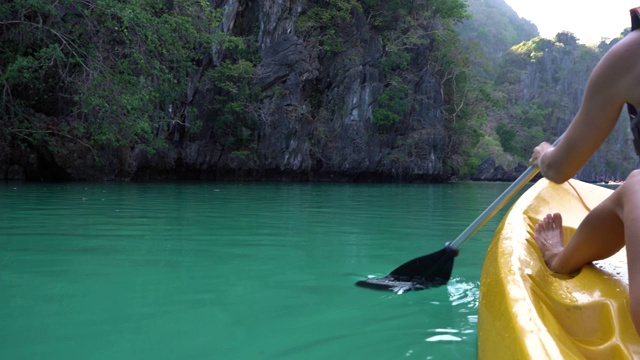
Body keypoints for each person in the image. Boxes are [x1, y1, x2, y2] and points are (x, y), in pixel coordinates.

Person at [529, 7, 640, 335]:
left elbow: (560, 168)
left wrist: (544, 154)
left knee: (635, 183)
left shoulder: (631, 55)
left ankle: (560, 259)